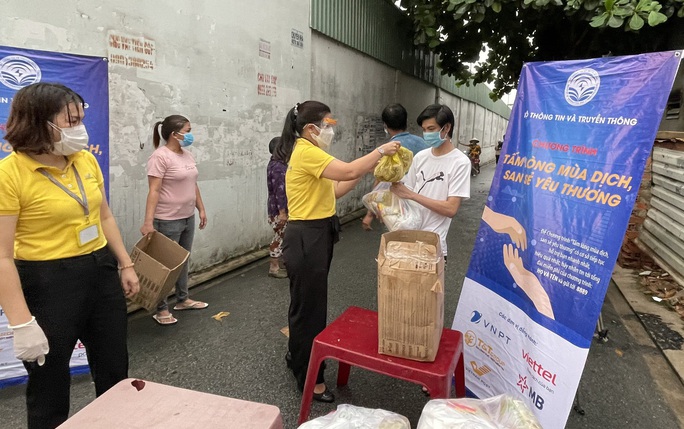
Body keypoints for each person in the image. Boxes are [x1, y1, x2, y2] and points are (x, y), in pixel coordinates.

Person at [0, 82, 140, 429]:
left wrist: (125, 262)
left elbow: (103, 215)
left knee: (114, 368)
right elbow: (1, 256)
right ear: (38, 123)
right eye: (70, 121)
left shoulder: (84, 159)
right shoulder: (10, 174)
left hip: (100, 270)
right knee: (50, 383)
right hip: (48, 282)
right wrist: (21, 323)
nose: (80, 129)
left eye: (80, 119)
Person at [277, 100, 400, 403]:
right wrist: (380, 152)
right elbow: (345, 171)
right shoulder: (307, 151)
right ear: (310, 128)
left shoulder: (310, 152)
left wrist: (363, 173)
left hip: (315, 233)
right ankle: (310, 379)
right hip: (307, 236)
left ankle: (298, 359)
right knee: (310, 311)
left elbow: (334, 188)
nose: (331, 129)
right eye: (328, 125)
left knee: (305, 305)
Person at [141, 115, 208, 326]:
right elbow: (154, 190)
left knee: (182, 261)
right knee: (165, 267)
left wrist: (201, 208)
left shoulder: (187, 155)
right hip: (167, 219)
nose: (190, 134)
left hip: (187, 216)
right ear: (174, 134)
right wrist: (148, 222)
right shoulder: (160, 157)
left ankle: (183, 299)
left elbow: (193, 184)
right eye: (187, 130)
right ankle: (161, 309)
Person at [390, 104, 471, 263]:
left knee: (429, 289)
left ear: (446, 128)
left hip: (433, 245)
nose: (426, 134)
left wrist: (412, 195)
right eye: (424, 129)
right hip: (408, 239)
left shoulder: (460, 163)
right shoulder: (421, 157)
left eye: (431, 128)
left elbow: (451, 208)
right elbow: (405, 195)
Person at [362, 103, 428, 230]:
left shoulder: (389, 148)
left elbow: (381, 180)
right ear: (406, 121)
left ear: (385, 125)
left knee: (399, 241)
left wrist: (369, 214)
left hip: (399, 207)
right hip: (423, 201)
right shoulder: (423, 143)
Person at [267, 136, 288, 278]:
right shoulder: (278, 167)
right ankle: (274, 267)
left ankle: (282, 263)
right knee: (279, 237)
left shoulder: (275, 164)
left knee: (284, 236)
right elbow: (280, 191)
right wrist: (282, 212)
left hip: (277, 208)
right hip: (279, 209)